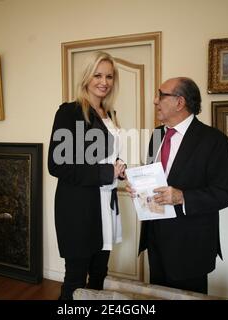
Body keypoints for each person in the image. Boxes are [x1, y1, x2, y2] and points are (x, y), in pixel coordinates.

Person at [126, 77, 228, 294]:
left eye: (161, 95)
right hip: (155, 239)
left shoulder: (214, 141)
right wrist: (139, 188)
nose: (155, 100)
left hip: (191, 246)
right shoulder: (157, 135)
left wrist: (183, 197)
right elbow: (155, 177)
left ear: (180, 102)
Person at [48, 51, 126, 300]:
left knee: (99, 275)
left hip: (107, 207)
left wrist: (120, 169)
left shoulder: (110, 114)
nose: (104, 82)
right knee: (75, 281)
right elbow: (57, 165)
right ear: (86, 78)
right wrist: (106, 171)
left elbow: (107, 159)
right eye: (98, 75)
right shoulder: (69, 112)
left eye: (109, 76)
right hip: (79, 208)